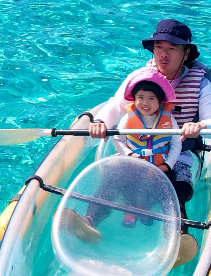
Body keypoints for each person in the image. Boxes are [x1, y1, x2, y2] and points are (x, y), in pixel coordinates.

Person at [87, 20, 211, 264]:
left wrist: (200, 126)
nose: (164, 54)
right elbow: (115, 106)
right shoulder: (140, 77)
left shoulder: (200, 82)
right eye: (159, 47)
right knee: (111, 176)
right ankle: (89, 222)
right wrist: (100, 122)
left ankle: (176, 239)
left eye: (172, 48)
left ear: (186, 54)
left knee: (178, 189)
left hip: (176, 152)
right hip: (136, 150)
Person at [59, 67, 182, 244]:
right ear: (134, 99)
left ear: (160, 101)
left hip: (160, 166)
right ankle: (91, 219)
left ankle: (174, 232)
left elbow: (176, 144)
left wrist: (166, 166)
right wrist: (130, 156)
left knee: (174, 186)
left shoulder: (169, 120)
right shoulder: (128, 118)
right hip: (132, 162)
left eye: (151, 98)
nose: (145, 103)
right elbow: (117, 139)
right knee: (112, 174)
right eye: (140, 97)